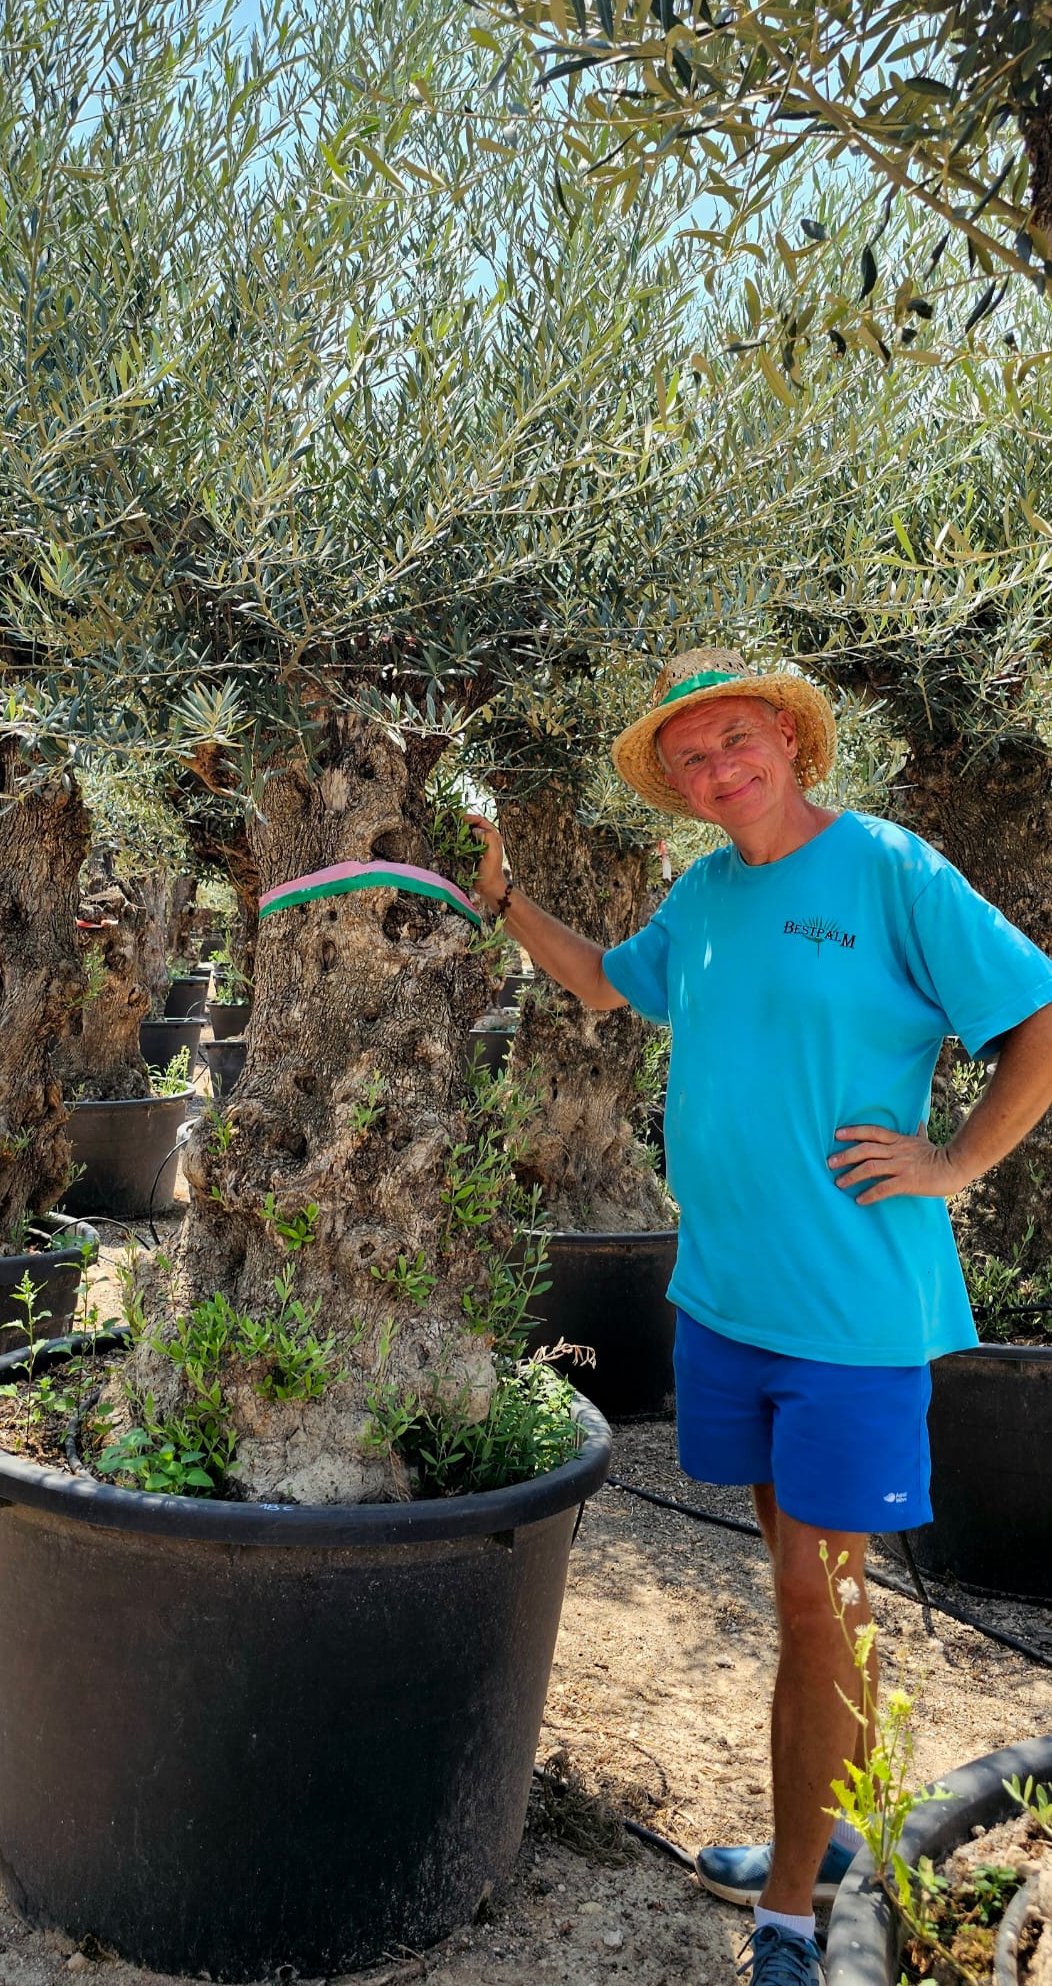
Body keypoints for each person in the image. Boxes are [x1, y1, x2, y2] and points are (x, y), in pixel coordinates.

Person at [468, 648, 1052, 1986]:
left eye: (738, 739)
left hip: (849, 1314)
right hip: (726, 1300)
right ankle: (839, 1836)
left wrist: (956, 1161)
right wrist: (502, 899)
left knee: (813, 1597)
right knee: (813, 1592)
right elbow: (603, 984)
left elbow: (1038, 1018)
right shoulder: (705, 894)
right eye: (692, 756)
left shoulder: (890, 870)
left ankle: (791, 1912)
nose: (719, 767)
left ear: (789, 738)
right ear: (675, 784)